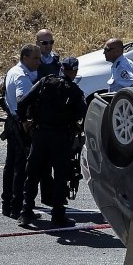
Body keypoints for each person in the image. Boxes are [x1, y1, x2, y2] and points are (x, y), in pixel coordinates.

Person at [16, 57, 87, 226]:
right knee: (61, 175)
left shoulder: (44, 82)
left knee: (32, 174)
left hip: (40, 135)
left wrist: (24, 121)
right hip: (61, 138)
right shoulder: (75, 91)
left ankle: (26, 212)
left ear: (61, 69)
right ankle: (58, 215)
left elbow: (23, 102)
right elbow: (84, 113)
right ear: (75, 71)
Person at [1, 44, 41, 219]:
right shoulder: (22, 77)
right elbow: (23, 100)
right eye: (35, 58)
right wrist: (28, 122)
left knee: (11, 166)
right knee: (21, 168)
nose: (38, 62)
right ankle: (17, 208)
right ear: (25, 58)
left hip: (12, 123)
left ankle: (7, 205)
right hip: (20, 126)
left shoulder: (13, 71)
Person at [34, 28, 60, 205]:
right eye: (44, 43)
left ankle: (48, 196)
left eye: (51, 42)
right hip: (39, 113)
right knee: (36, 161)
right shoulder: (34, 61)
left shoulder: (56, 60)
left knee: (52, 160)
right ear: (37, 44)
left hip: (54, 113)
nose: (48, 46)